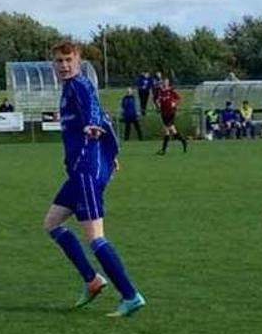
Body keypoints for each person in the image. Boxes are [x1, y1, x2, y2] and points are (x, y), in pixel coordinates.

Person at [43, 41, 145, 318]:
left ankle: (130, 295)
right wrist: (110, 153)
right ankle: (92, 280)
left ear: (78, 61)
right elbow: (105, 119)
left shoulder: (80, 85)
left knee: (95, 237)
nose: (64, 65)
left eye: (68, 60)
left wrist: (94, 133)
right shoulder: (69, 88)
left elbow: (96, 117)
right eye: (59, 61)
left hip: (85, 172)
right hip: (79, 172)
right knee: (52, 223)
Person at [155, 79, 188, 155]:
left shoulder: (171, 91)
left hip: (171, 113)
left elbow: (179, 99)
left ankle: (163, 150)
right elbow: (157, 100)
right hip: (163, 114)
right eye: (163, 82)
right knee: (174, 132)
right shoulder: (160, 92)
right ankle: (184, 141)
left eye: (166, 82)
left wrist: (175, 104)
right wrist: (158, 106)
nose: (164, 84)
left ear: (168, 83)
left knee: (167, 130)